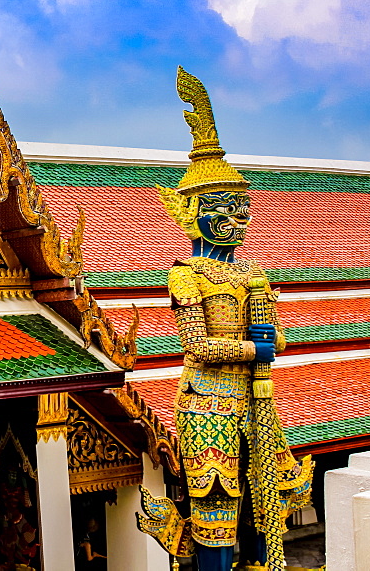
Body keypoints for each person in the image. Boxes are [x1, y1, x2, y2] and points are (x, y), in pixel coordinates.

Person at [138, 68, 312, 571]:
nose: (237, 217)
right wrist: (255, 351)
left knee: (267, 511)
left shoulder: (252, 275)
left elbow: (275, 338)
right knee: (217, 512)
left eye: (241, 204)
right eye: (222, 206)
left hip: (260, 402)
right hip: (207, 404)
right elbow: (199, 347)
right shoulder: (186, 275)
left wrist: (267, 341)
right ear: (192, 211)